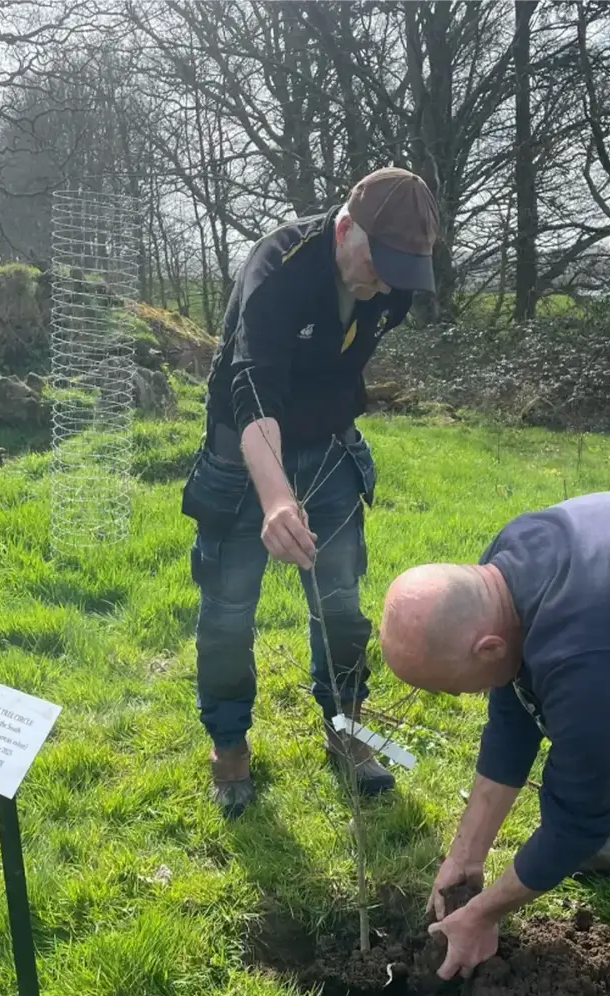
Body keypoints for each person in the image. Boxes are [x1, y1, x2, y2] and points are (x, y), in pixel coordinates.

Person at [182, 167, 439, 819]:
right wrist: (274, 497)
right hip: (243, 455)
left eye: (398, 275)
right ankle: (230, 747)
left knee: (342, 605)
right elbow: (253, 388)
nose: (382, 285)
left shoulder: (392, 284)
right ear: (344, 228)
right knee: (227, 613)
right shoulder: (279, 266)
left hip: (328, 453)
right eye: (375, 265)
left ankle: (347, 729)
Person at [379, 491, 610, 980]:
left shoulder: (585, 658)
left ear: (487, 646)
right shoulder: (504, 569)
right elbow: (515, 707)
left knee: (591, 731)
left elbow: (578, 819)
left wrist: (482, 914)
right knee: (592, 723)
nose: (459, 699)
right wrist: (465, 857)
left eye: (452, 687)